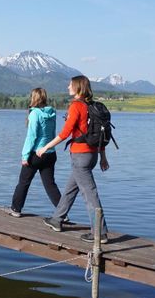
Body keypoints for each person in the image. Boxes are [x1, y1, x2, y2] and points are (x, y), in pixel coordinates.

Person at [36, 75, 110, 243]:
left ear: (77, 87)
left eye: (70, 84)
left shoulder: (76, 106)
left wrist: (46, 147)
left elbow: (65, 133)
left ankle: (100, 233)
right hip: (92, 155)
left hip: (80, 156)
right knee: (71, 188)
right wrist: (103, 157)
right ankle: (57, 220)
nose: (68, 87)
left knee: (90, 194)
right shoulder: (92, 106)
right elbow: (99, 135)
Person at [4, 87, 61, 217]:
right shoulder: (52, 112)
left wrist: (25, 155)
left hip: (36, 154)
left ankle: (16, 209)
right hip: (50, 153)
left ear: (33, 98)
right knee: (50, 185)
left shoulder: (34, 114)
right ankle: (62, 212)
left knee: (23, 182)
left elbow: (31, 136)